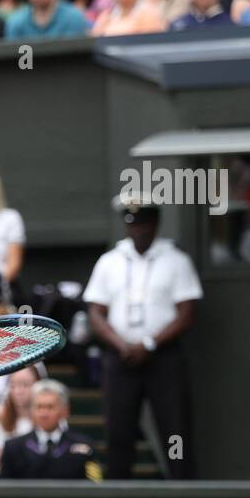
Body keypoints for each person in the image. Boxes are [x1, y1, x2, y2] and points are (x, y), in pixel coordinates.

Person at [84, 193, 202, 479]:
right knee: (118, 429)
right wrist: (120, 344)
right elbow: (95, 312)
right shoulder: (109, 261)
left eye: (144, 223)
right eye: (132, 224)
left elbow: (187, 312)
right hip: (119, 355)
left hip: (162, 355)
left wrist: (150, 343)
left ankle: (185, 492)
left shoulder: (175, 260)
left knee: (175, 428)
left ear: (156, 223)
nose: (138, 230)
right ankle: (118, 496)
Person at [0, 379, 103, 480]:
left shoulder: (83, 447)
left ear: (65, 411)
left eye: (50, 407)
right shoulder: (14, 448)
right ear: (31, 411)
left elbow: (94, 488)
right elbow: (1, 488)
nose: (44, 413)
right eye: (39, 407)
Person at [0, 365, 37, 472]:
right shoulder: (1, 422)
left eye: (25, 385)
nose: (18, 391)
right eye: (13, 385)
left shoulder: (49, 419)